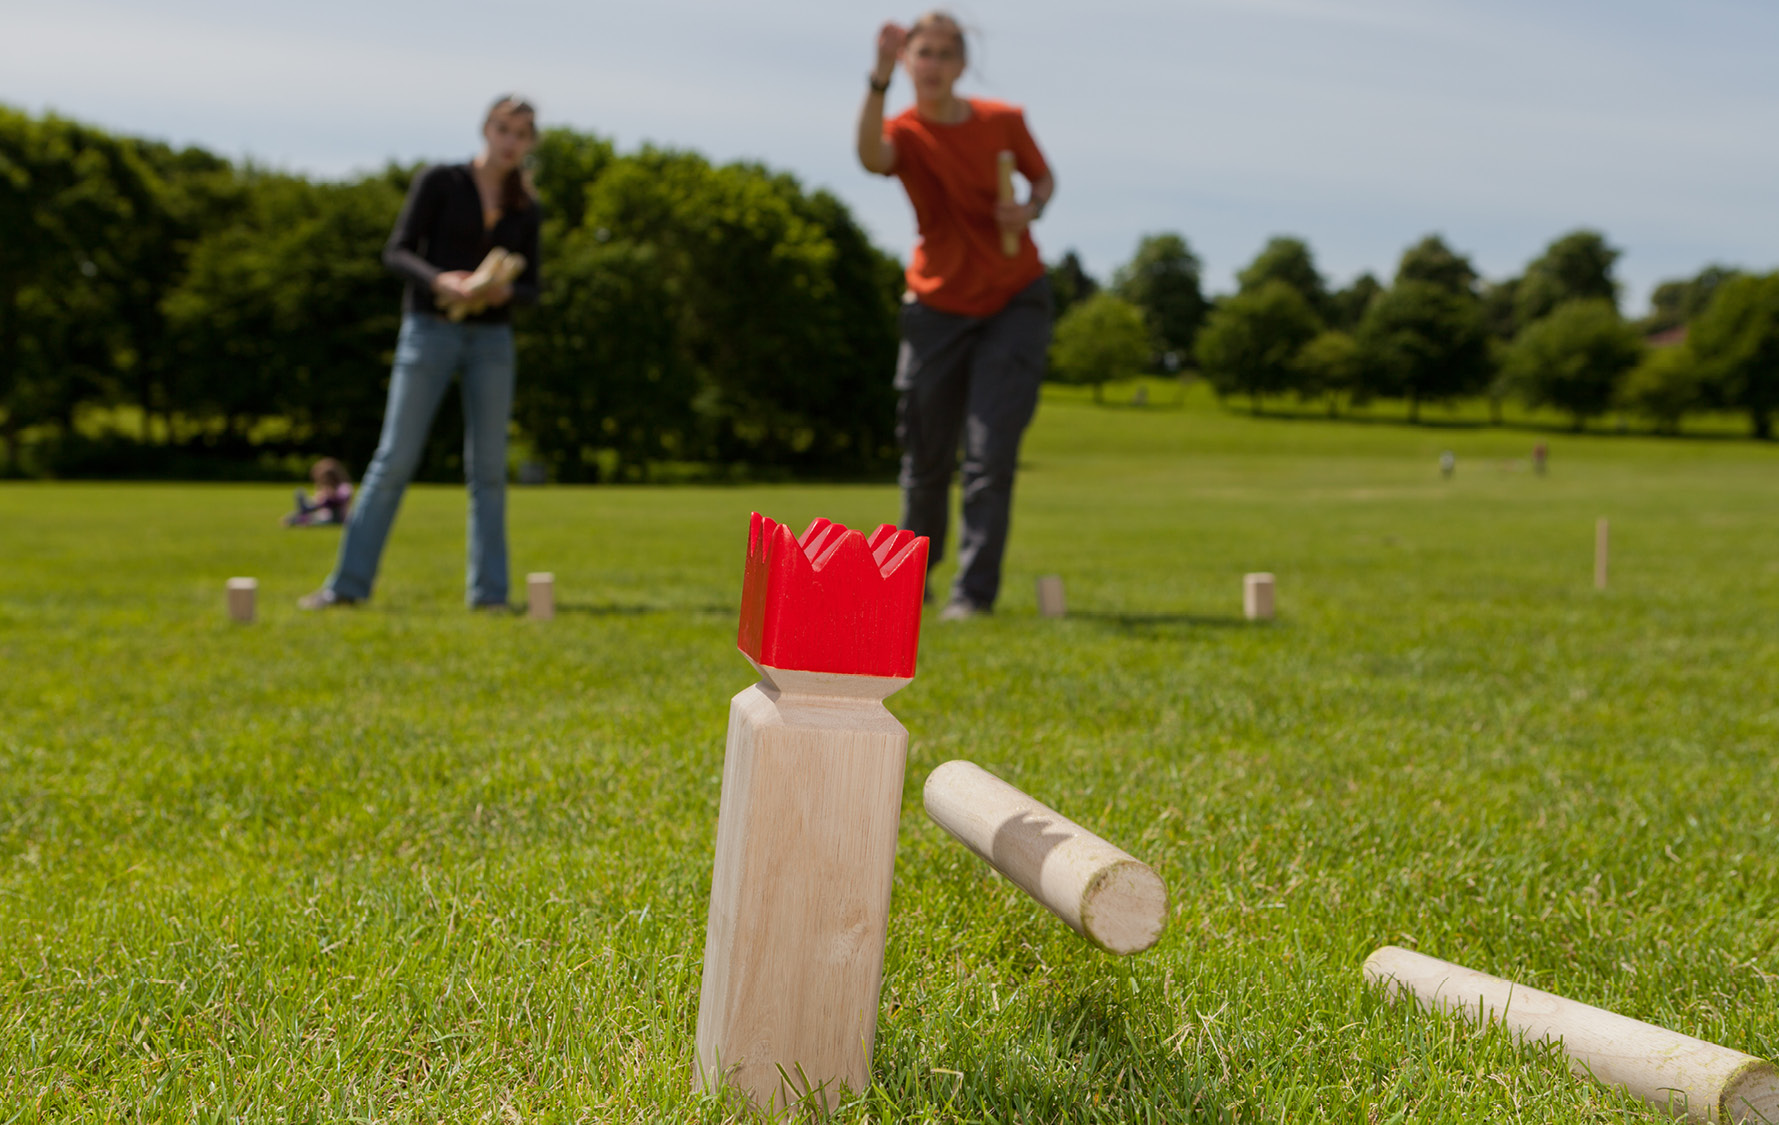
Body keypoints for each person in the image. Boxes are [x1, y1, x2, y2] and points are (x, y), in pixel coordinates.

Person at [299, 95, 542, 610]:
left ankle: (490, 595)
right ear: (486, 129)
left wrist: (504, 292)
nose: (510, 141)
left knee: (490, 470)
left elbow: (534, 287)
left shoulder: (526, 206)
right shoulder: (440, 181)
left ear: (529, 143)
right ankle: (346, 587)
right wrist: (440, 280)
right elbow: (397, 251)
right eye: (503, 129)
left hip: (492, 340)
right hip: (429, 329)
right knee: (393, 459)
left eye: (521, 133)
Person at [857, 12, 1055, 621]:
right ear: (910, 61)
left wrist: (1027, 209)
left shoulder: (1003, 121)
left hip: (1012, 300)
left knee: (989, 454)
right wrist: (878, 78)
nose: (935, 63)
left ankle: (972, 595)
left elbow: (1043, 181)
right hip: (936, 307)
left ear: (962, 64)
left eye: (945, 53)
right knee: (925, 457)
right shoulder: (906, 132)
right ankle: (907, 590)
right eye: (924, 53)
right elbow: (870, 157)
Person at [282, 457, 353, 526]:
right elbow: (319, 503)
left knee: (314, 518)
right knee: (308, 515)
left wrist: (329, 497)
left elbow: (342, 499)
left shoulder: (343, 487)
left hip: (338, 517)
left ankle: (302, 515)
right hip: (325, 515)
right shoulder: (327, 490)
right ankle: (302, 513)